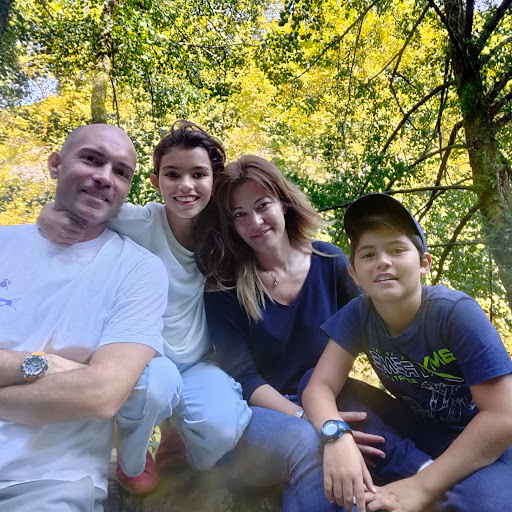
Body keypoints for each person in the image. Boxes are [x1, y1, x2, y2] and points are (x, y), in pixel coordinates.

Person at [202, 156, 431, 511]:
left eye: (262, 205)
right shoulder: (224, 285)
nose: (255, 222)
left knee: (384, 426)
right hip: (262, 415)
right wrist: (317, 422)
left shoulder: (329, 261)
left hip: (327, 395)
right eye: (239, 214)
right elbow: (244, 378)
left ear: (283, 203)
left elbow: (372, 331)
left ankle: (431, 481)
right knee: (314, 441)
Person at [37, 120, 252, 494]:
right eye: (172, 174)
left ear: (214, 181)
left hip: (199, 359)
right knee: (155, 388)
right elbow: (81, 208)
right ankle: (132, 460)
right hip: (143, 356)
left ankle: (177, 435)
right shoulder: (136, 221)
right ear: (155, 181)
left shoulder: (224, 232)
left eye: (198, 174)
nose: (185, 185)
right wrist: (47, 214)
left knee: (221, 428)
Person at [0, 124, 182, 511]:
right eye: (91, 159)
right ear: (56, 164)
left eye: (121, 172)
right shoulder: (5, 244)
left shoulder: (138, 269)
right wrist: (50, 365)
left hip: (48, 482)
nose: (104, 177)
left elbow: (101, 394)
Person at [302, 193, 512, 512]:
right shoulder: (359, 314)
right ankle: (421, 468)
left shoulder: (455, 313)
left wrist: (421, 487)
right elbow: (319, 386)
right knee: (317, 386)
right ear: (355, 274)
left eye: (397, 250)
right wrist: (336, 436)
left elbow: (502, 417)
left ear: (424, 263)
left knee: (485, 504)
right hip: (420, 430)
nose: (383, 261)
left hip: (484, 439)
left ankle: (427, 484)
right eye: (368, 254)